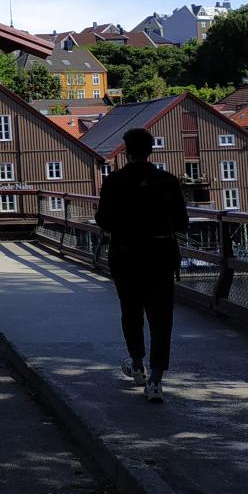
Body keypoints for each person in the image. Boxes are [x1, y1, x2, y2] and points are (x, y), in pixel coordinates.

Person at [95, 127, 188, 404]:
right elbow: (182, 222)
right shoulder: (168, 181)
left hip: (126, 255)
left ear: (126, 152)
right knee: (162, 319)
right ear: (150, 150)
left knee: (131, 312)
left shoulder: (114, 181)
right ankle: (156, 381)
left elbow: (103, 220)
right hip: (161, 255)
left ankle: (137, 365)